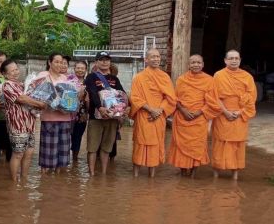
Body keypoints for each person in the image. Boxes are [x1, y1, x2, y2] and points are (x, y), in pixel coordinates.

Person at [168, 55, 221, 177]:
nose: (196, 65)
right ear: (188, 64)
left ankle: (193, 173)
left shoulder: (209, 80)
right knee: (181, 145)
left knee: (197, 146)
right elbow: (175, 99)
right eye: (193, 62)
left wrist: (199, 112)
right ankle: (183, 172)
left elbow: (212, 102)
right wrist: (183, 110)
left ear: (203, 65)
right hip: (182, 117)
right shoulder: (181, 79)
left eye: (198, 62)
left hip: (199, 118)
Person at [129, 48, 177, 177]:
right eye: (153, 57)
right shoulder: (139, 78)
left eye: (158, 56)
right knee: (140, 143)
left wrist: (159, 110)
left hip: (159, 116)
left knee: (156, 144)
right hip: (144, 115)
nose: (156, 59)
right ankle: (136, 174)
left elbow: (171, 98)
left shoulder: (165, 77)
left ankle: (152, 175)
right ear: (146, 59)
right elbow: (134, 98)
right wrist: (151, 110)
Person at [212, 50, 257, 180]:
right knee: (220, 143)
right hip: (222, 114)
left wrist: (240, 112)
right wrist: (225, 111)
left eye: (236, 58)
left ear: (240, 60)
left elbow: (251, 97)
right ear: (225, 60)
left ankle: (235, 175)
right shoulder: (218, 75)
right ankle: (216, 173)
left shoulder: (247, 77)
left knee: (237, 145)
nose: (234, 61)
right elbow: (214, 97)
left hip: (240, 114)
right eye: (231, 58)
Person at [1, 59, 47, 181]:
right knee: (18, 154)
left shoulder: (22, 84)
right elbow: (21, 99)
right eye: (12, 71)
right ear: (5, 74)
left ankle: (24, 180)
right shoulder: (7, 85)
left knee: (29, 154)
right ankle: (14, 182)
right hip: (17, 126)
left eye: (16, 69)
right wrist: (40, 104)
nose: (16, 72)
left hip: (30, 124)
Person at [85, 51, 126, 176]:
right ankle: (91, 173)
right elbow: (92, 93)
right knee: (92, 147)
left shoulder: (114, 79)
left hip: (111, 117)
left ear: (110, 62)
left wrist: (124, 109)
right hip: (96, 117)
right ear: (96, 62)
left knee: (107, 147)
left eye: (107, 60)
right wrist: (100, 108)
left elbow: (122, 94)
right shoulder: (91, 77)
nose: (104, 62)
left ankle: (103, 173)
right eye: (101, 59)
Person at [38, 53, 72, 174]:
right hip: (49, 118)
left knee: (62, 152)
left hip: (65, 118)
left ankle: (57, 179)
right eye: (56, 61)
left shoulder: (66, 78)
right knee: (48, 152)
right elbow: (38, 95)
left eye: (61, 62)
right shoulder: (43, 76)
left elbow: (71, 97)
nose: (59, 64)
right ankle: (45, 179)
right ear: (49, 62)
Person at [70, 60, 88, 161]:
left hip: (82, 115)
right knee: (67, 136)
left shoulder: (88, 83)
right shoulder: (69, 80)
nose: (80, 70)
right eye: (78, 68)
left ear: (86, 70)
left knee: (78, 137)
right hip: (68, 114)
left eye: (82, 68)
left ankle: (74, 159)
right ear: (74, 69)